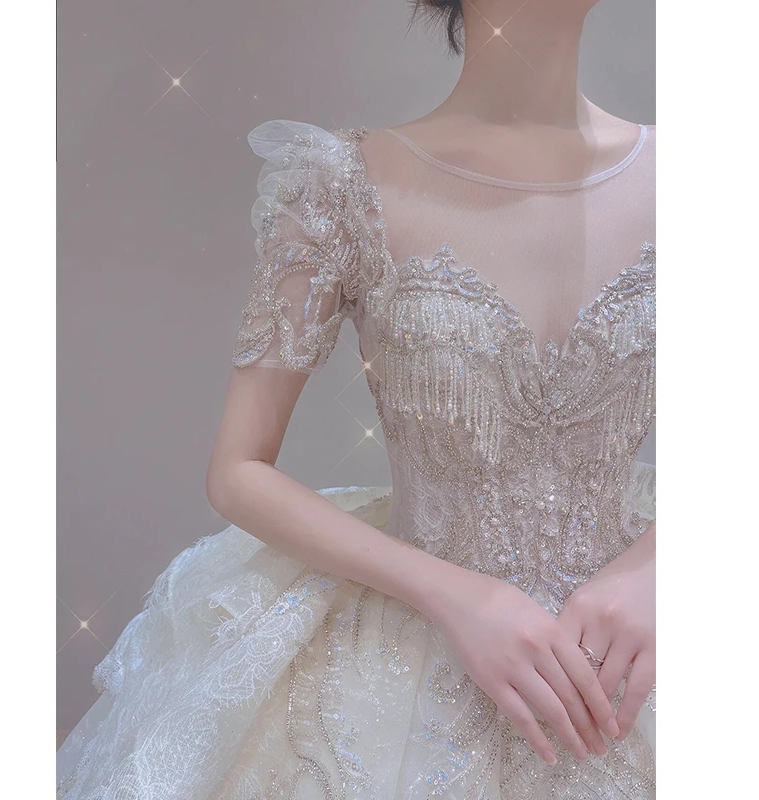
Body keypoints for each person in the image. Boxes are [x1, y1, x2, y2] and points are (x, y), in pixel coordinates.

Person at [56, 1, 656, 797]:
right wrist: (456, 594)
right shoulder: (343, 185)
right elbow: (237, 469)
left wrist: (660, 566)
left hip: (639, 651)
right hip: (412, 657)